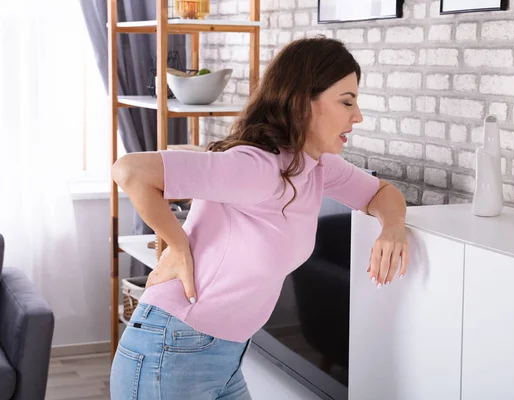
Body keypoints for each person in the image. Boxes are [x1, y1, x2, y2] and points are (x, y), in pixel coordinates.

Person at [109, 36, 408, 400]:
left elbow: (382, 193)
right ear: (302, 104)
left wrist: (392, 229)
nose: (357, 116)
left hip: (222, 355)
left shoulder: (315, 166)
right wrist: (178, 244)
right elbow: (131, 171)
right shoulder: (257, 167)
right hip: (172, 349)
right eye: (346, 102)